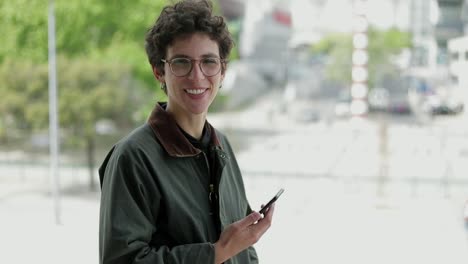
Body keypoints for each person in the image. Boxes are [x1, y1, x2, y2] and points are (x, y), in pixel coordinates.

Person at [98, 1, 275, 263]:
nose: (197, 76)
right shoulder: (133, 157)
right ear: (159, 71)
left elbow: (242, 250)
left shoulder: (221, 145)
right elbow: (122, 260)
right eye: (182, 63)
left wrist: (241, 243)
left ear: (223, 71)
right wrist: (216, 252)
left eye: (209, 62)